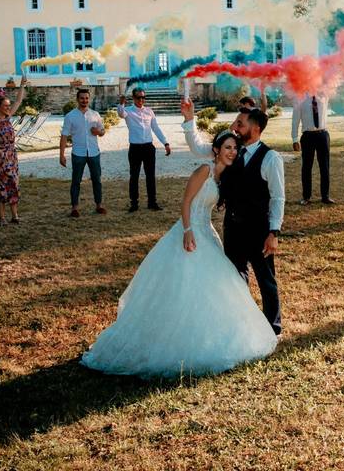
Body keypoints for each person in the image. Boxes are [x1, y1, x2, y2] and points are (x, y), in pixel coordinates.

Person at [81, 131, 277, 378]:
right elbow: (185, 203)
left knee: (215, 286)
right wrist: (187, 230)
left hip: (207, 232)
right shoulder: (204, 171)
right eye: (227, 147)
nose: (232, 152)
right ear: (216, 150)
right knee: (183, 284)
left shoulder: (223, 177)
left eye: (235, 149)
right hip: (189, 231)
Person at [181, 99, 286, 335]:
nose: (235, 127)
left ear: (255, 128)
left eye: (240, 123)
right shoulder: (232, 150)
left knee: (266, 279)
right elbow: (198, 148)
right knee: (235, 280)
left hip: (259, 230)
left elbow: (278, 198)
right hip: (233, 229)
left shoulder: (271, 158)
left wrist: (274, 232)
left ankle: (274, 328)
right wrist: (189, 120)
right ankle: (242, 323)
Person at [118, 89, 171, 212]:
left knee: (150, 176)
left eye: (143, 97)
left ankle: (152, 202)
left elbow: (156, 128)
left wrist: (166, 143)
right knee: (134, 176)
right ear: (134, 98)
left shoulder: (149, 111)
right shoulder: (128, 111)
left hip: (148, 147)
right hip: (135, 148)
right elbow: (121, 114)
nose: (141, 100)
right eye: (138, 97)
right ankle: (134, 203)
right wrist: (121, 103)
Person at [60, 88, 106, 217]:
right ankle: (74, 208)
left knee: (97, 180)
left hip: (94, 153)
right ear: (77, 99)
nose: (84, 100)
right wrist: (61, 155)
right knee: (76, 181)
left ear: (89, 99)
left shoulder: (95, 114)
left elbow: (102, 132)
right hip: (78, 153)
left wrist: (98, 132)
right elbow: (64, 136)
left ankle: (99, 205)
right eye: (82, 98)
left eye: (86, 98)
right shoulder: (70, 116)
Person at [0, 76, 28, 225]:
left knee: (14, 184)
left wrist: (22, 85)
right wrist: (0, 152)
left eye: (8, 105)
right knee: (2, 187)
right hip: (1, 157)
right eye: (5, 105)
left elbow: (18, 101)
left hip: (12, 156)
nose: (8, 107)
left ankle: (15, 216)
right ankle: (1, 218)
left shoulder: (8, 117)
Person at [292, 93, 334, 205]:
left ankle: (325, 196)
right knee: (306, 167)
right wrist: (294, 139)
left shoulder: (324, 94)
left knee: (325, 166)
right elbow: (295, 119)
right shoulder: (299, 96)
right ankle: (306, 197)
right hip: (307, 136)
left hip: (323, 135)